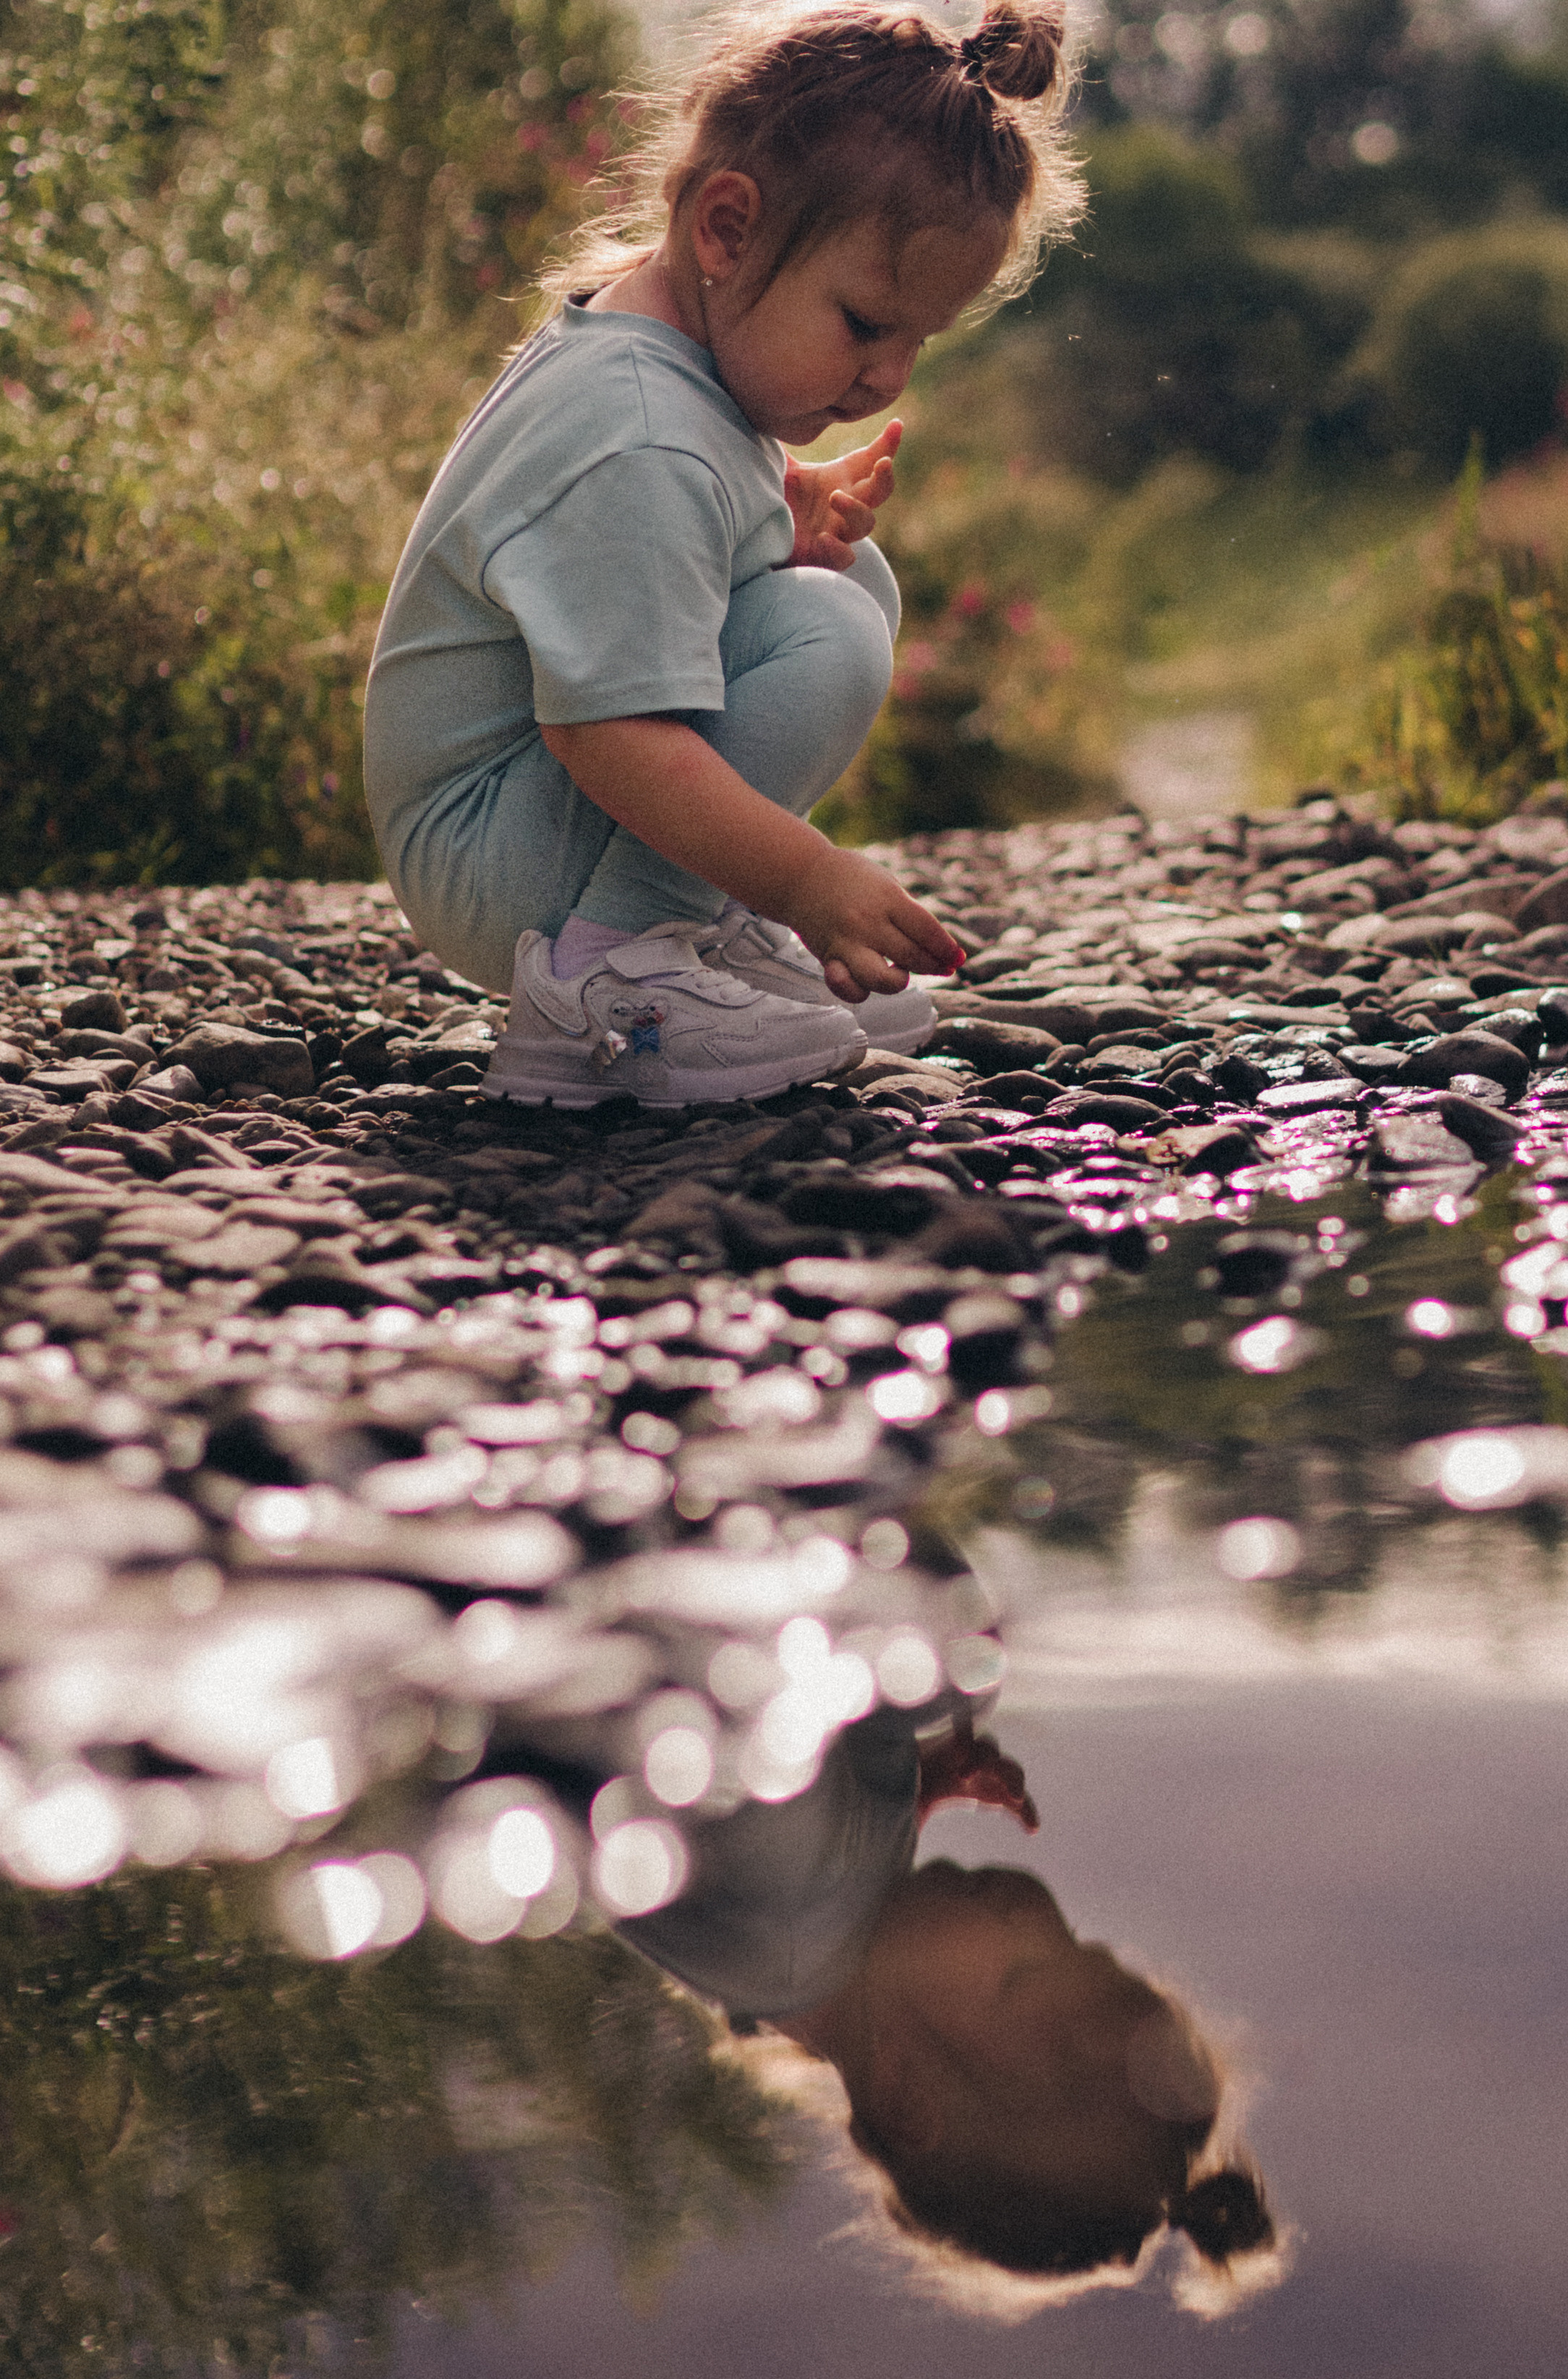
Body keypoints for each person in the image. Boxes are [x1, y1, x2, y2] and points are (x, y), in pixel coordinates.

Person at [362, 1, 1084, 1107]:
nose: (890, 377)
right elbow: (608, 733)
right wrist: (806, 880)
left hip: (517, 809)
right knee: (829, 627)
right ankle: (608, 976)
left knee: (845, 577)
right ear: (728, 230)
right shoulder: (639, 432)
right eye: (865, 324)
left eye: (917, 341)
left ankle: (685, 924)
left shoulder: (666, 353)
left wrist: (782, 509)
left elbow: (659, 550)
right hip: (485, 849)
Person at [616, 1706, 1276, 2293]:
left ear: (904, 2090)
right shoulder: (812, 1934)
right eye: (1078, 1944)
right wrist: (908, 1792)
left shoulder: (785, 1895)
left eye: (1022, 1975)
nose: (1033, 1906)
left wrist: (926, 1697)